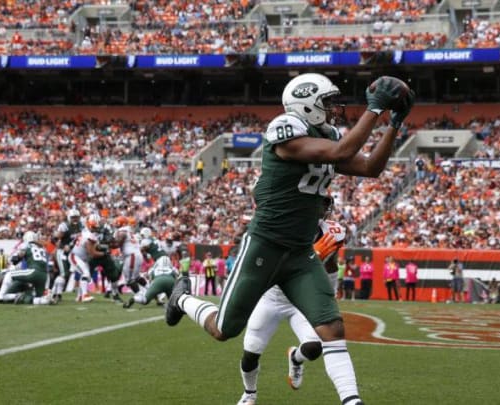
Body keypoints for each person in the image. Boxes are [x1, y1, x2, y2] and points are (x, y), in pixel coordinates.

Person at [164, 74, 413, 405]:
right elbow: (342, 151)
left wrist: (393, 124)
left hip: (299, 253)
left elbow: (370, 168)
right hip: (265, 245)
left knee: (332, 329)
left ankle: (352, 401)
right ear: (305, 104)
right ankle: (181, 298)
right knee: (224, 330)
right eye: (326, 103)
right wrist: (375, 110)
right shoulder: (284, 129)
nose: (333, 110)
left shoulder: (326, 135)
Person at [237, 215, 345, 405]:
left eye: (325, 201)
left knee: (314, 348)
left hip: (299, 299)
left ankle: (296, 358)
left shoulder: (331, 233)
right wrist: (311, 257)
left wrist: (330, 294)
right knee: (251, 352)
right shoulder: (281, 223)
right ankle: (249, 394)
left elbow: (331, 266)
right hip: (270, 297)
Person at [0, 231, 55, 305]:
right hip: (44, 275)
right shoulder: (42, 249)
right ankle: (46, 300)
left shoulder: (26, 245)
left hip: (33, 272)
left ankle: (0, 295)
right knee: (38, 297)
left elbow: (16, 258)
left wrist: (13, 259)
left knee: (9, 274)